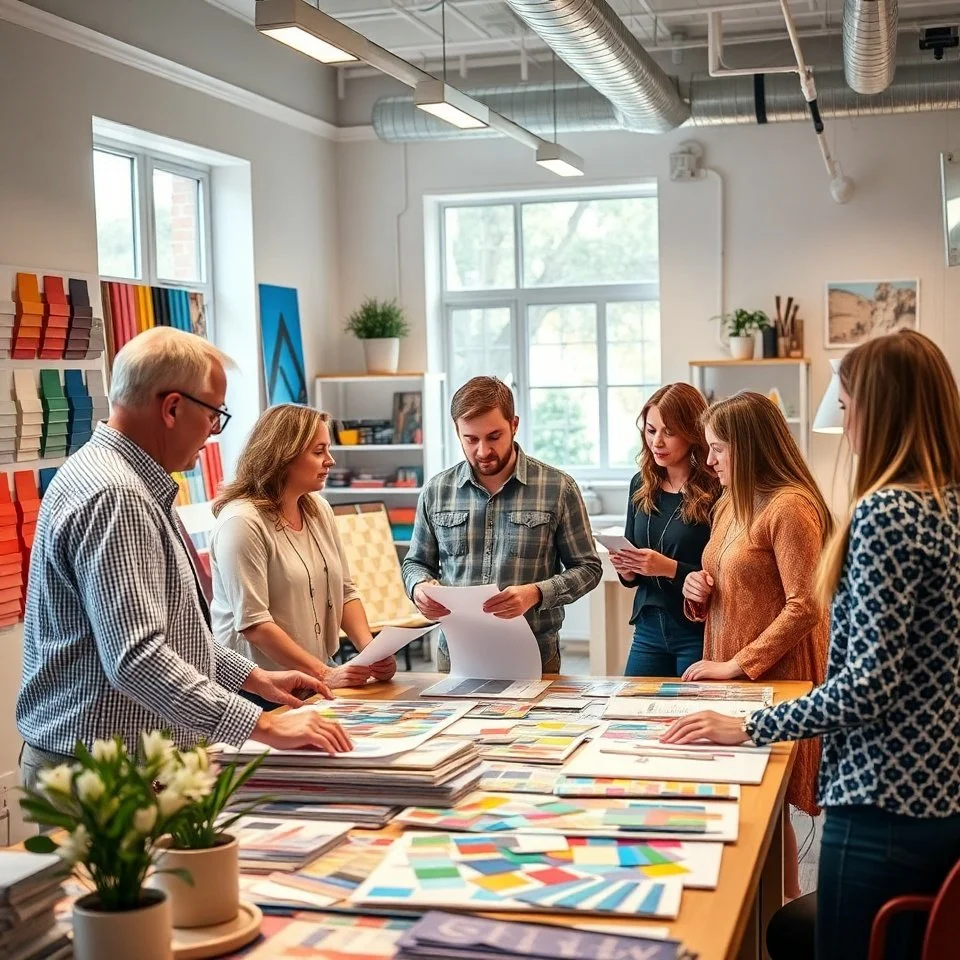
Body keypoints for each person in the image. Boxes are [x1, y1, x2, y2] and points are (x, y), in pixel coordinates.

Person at [663, 331, 960, 960]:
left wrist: (750, 727)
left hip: (885, 795)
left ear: (879, 412)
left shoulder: (887, 513)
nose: (844, 422)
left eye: (848, 406)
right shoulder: (947, 505)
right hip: (940, 792)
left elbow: (866, 683)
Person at [16, 328, 351, 790]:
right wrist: (263, 726)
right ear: (172, 408)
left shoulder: (132, 481)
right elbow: (137, 657)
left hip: (117, 761)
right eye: (214, 414)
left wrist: (254, 678)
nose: (215, 432)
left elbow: (171, 633)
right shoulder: (118, 495)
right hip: (105, 771)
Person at [680, 391, 833, 900]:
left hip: (773, 674)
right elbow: (726, 578)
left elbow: (804, 606)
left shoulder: (791, 508)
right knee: (745, 801)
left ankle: (782, 909)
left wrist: (736, 666)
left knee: (768, 805)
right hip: (733, 667)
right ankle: (762, 910)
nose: (709, 461)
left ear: (749, 447)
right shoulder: (730, 503)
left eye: (718, 448)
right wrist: (697, 590)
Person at [402, 376, 602, 673]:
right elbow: (415, 563)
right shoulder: (436, 491)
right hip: (455, 654)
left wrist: (536, 593)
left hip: (534, 654)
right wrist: (418, 587)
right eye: (470, 439)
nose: (482, 451)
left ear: (514, 425)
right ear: (457, 431)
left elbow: (588, 568)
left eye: (494, 436)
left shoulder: (557, 488)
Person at [210, 404, 397, 694]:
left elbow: (345, 591)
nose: (330, 461)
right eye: (319, 451)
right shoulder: (242, 522)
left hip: (313, 678)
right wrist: (325, 674)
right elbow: (254, 623)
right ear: (283, 455)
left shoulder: (318, 509)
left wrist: (371, 653)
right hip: (259, 690)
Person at [612, 383, 719, 678]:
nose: (657, 442)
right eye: (650, 430)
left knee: (691, 718)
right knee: (629, 714)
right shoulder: (640, 484)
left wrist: (668, 568)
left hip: (697, 630)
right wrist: (628, 569)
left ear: (692, 431)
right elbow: (631, 572)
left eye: (668, 432)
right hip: (647, 627)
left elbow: (723, 574)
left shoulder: (716, 488)